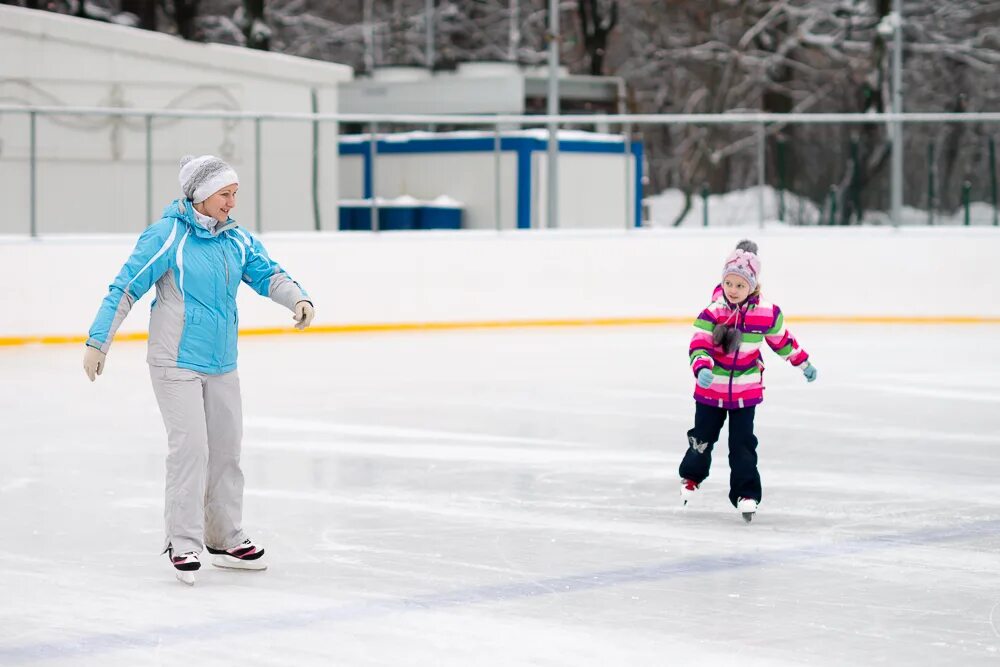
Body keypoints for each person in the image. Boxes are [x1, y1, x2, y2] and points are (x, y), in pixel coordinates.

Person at [83, 155, 316, 584]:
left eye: (235, 194)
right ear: (202, 195)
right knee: (191, 450)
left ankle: (225, 537)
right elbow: (125, 286)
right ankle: (183, 542)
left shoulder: (237, 239)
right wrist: (99, 341)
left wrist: (297, 297)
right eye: (226, 194)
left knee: (226, 450)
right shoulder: (167, 235)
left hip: (222, 362)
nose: (232, 203)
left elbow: (268, 274)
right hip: (175, 362)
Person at [679, 240, 816, 522]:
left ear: (752, 286)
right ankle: (692, 476)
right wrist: (702, 367)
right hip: (710, 390)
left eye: (740, 285)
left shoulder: (766, 313)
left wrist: (802, 362)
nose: (733, 289)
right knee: (702, 438)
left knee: (742, 444)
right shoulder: (713, 312)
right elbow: (698, 345)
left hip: (745, 391)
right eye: (729, 282)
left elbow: (783, 341)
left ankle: (746, 493)